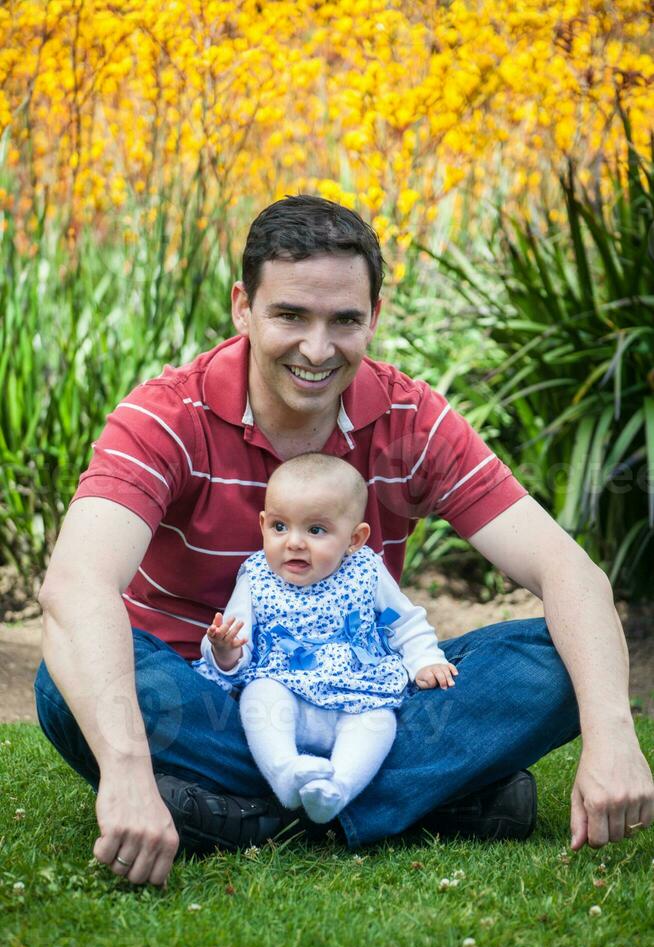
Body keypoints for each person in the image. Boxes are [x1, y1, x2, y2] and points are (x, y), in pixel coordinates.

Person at [34, 195, 653, 888]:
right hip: (205, 695)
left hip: (364, 695)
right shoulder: (166, 417)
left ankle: (248, 814)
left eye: (345, 320)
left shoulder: (411, 419)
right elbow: (76, 585)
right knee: (68, 683)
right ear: (244, 306)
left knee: (555, 661)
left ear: (375, 318)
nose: (318, 348)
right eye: (291, 315)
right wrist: (123, 773)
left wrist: (614, 738)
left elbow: (571, 573)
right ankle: (432, 801)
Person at [194, 453, 458, 823]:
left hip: (358, 692)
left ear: (355, 539)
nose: (295, 543)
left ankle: (339, 788)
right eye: (280, 527)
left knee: (379, 722)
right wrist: (224, 649)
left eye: (316, 530)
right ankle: (285, 772)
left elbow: (404, 621)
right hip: (287, 691)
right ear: (263, 524)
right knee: (260, 696)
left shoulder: (366, 570)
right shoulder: (256, 577)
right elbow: (236, 640)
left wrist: (425, 659)